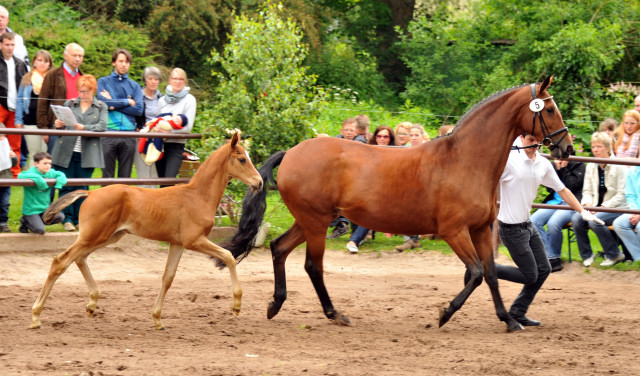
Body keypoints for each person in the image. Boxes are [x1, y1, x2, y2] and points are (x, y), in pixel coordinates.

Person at [494, 133, 601, 327]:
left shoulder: (542, 164)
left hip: (527, 225)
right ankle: (487, 269)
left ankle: (518, 311)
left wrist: (583, 211)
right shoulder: (508, 160)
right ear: (520, 138)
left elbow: (563, 190)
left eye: (538, 141)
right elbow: (487, 180)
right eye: (530, 140)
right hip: (510, 228)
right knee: (529, 275)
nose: (535, 144)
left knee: (544, 269)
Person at [51, 74, 107, 231]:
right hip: (66, 151)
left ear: (93, 90)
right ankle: (67, 219)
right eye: (80, 91)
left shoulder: (101, 106)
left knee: (82, 188)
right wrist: (58, 124)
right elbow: (59, 127)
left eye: (86, 92)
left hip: (87, 153)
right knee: (66, 186)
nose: (82, 95)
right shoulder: (70, 103)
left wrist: (85, 128)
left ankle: (79, 219)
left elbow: (102, 126)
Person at [571, 132, 628, 267]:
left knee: (595, 222)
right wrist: (588, 206)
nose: (595, 150)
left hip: (617, 207)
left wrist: (602, 208)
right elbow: (587, 191)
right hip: (595, 207)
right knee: (576, 219)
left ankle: (614, 254)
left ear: (608, 148)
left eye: (599, 146)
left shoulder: (619, 165)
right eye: (593, 147)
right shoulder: (591, 165)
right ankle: (587, 255)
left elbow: (622, 194)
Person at [346, 125, 397, 253]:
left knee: (370, 210)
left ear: (390, 138)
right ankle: (360, 235)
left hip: (388, 191)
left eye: (385, 136)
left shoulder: (397, 153)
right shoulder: (368, 151)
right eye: (379, 136)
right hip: (368, 188)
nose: (382, 139)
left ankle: (354, 240)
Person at [531, 158, 585, 272]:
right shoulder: (553, 165)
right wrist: (556, 170)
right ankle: (547, 256)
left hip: (570, 204)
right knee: (533, 221)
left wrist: (564, 169)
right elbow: (548, 187)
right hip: (554, 202)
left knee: (553, 223)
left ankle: (554, 258)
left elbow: (571, 186)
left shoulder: (579, 165)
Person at [97, 48, 143, 178]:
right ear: (114, 63)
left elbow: (139, 110)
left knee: (125, 178)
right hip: (109, 132)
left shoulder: (135, 86)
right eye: (121, 61)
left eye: (127, 62)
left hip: (129, 134)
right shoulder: (103, 81)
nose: (124, 65)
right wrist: (128, 101)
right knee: (107, 177)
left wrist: (113, 102)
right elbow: (104, 104)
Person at [37, 43, 84, 154]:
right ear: (65, 55)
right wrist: (44, 128)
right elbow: (43, 102)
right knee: (54, 161)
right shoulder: (52, 75)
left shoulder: (83, 77)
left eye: (80, 56)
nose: (77, 59)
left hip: (77, 126)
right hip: (57, 125)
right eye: (74, 55)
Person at [326, 118, 367, 239]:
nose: (349, 132)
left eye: (351, 130)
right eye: (346, 130)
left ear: (356, 132)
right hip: (338, 178)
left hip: (356, 179)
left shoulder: (360, 142)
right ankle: (341, 225)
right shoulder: (336, 140)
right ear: (341, 131)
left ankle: (349, 227)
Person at [155, 68, 196, 180]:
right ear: (170, 80)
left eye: (181, 79)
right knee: (162, 181)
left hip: (176, 145)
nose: (177, 82)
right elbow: (157, 121)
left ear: (185, 82)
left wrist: (169, 132)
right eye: (175, 78)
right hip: (160, 145)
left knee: (169, 180)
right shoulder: (162, 100)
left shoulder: (190, 100)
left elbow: (188, 128)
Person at [15, 50, 53, 168]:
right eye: (40, 60)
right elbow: (20, 100)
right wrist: (18, 120)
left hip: (47, 122)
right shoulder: (27, 78)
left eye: (45, 61)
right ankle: (32, 181)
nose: (42, 63)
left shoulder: (53, 79)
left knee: (47, 154)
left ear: (49, 64)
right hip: (30, 120)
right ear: (34, 62)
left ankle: (46, 182)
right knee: (34, 153)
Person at [0, 32, 28, 178]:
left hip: (15, 108)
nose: (10, 48)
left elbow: (25, 87)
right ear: (1, 45)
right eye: (7, 44)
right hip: (1, 105)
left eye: (12, 45)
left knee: (15, 142)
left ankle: (15, 173)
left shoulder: (20, 63)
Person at [17, 152, 67, 234]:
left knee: (60, 217)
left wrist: (59, 184)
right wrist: (40, 180)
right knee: (40, 230)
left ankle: (35, 222)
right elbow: (20, 175)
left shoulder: (50, 172)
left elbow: (61, 174)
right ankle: (25, 220)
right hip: (31, 210)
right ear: (36, 164)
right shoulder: (31, 172)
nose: (48, 166)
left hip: (44, 209)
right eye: (45, 163)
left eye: (49, 163)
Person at [134, 66, 163, 188]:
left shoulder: (162, 98)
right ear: (145, 80)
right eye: (150, 78)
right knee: (144, 174)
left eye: (156, 79)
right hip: (142, 137)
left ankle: (154, 204)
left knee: (154, 175)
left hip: (158, 138)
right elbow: (134, 113)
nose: (153, 81)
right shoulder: (137, 96)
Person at [612, 164, 640, 263]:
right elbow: (630, 194)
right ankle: (638, 258)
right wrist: (634, 211)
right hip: (635, 209)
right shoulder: (633, 170)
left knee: (639, 227)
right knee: (619, 224)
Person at [0, 124, 17, 232]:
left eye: (3, 136)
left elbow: (14, 164)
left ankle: (3, 222)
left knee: (4, 202)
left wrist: (13, 157)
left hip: (6, 178)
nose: (1, 138)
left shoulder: (6, 145)